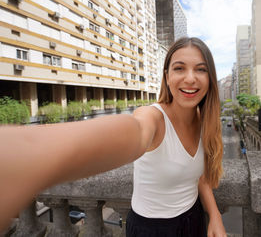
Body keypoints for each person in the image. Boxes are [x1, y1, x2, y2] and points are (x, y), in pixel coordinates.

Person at [0, 37, 227, 236]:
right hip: (153, 229)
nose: (190, 78)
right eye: (179, 68)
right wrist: (26, 155)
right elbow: (134, 132)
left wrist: (215, 215)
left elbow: (201, 177)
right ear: (167, 77)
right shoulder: (152, 117)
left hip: (194, 219)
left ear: (210, 78)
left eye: (200, 69)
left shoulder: (204, 119)